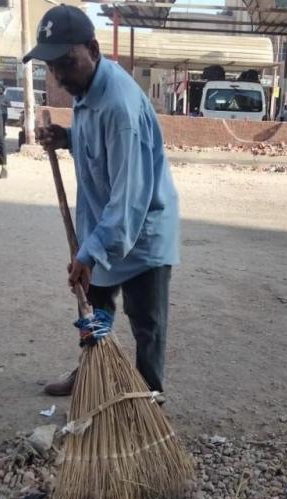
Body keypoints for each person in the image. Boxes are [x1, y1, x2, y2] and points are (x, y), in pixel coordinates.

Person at [26, 5, 180, 398]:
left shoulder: (119, 105)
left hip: (141, 232)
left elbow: (129, 199)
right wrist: (67, 137)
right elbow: (97, 148)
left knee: (147, 325)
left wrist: (89, 252)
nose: (60, 75)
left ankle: (148, 400)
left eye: (67, 63)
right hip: (104, 226)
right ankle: (91, 375)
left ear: (93, 49)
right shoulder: (87, 87)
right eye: (52, 66)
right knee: (94, 311)